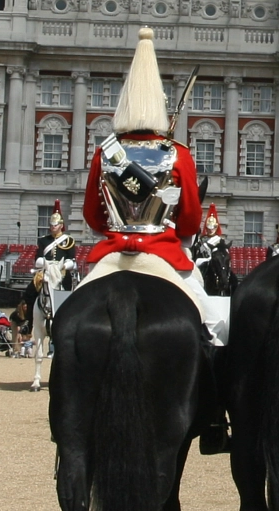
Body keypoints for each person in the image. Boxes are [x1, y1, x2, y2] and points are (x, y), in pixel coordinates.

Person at [76, 26, 213, 322]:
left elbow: (92, 214)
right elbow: (189, 220)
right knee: (213, 324)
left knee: (66, 316)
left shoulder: (105, 152)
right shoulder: (178, 153)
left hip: (111, 253)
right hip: (163, 251)